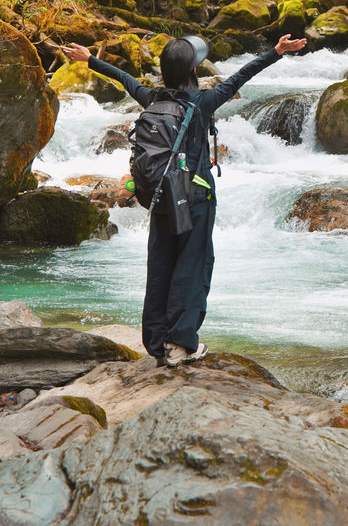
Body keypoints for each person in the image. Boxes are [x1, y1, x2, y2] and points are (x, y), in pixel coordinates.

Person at [61, 33, 306, 366]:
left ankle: (157, 341)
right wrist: (276, 51)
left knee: (161, 264)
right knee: (192, 265)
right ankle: (181, 344)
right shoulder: (204, 101)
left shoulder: (151, 97)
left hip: (160, 195)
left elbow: (124, 79)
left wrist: (89, 60)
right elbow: (242, 75)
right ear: (193, 69)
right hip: (195, 197)